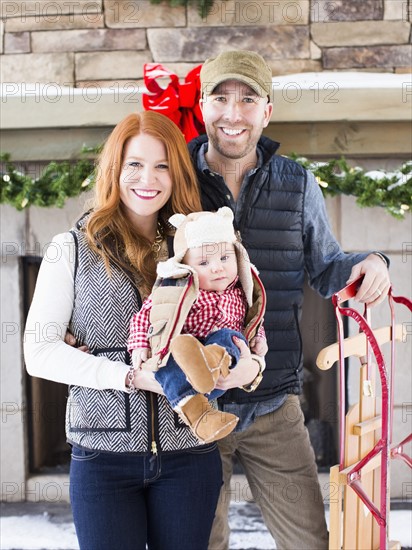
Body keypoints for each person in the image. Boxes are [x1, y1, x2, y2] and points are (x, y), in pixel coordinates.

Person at [187, 50, 391, 550]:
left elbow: (326, 269)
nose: (233, 113)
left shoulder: (297, 184)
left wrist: (373, 262)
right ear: (202, 105)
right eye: (220, 98)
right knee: (198, 544)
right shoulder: (174, 179)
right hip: (191, 411)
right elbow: (129, 262)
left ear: (267, 111)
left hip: (274, 405)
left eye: (248, 99)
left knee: (309, 544)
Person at [24, 111, 234, 550]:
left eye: (162, 166)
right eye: (134, 164)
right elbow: (39, 351)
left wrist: (243, 362)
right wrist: (124, 376)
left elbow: (237, 319)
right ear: (114, 170)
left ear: (176, 174)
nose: (148, 178)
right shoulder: (72, 249)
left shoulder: (199, 247)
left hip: (188, 454)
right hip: (103, 458)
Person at [127, 206, 268, 444]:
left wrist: (259, 339)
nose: (217, 267)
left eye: (225, 258)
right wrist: (140, 344)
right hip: (184, 367)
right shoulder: (177, 289)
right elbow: (146, 315)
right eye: (204, 263)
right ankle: (202, 418)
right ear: (187, 267)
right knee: (166, 361)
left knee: (229, 336)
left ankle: (210, 362)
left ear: (237, 256)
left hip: (224, 369)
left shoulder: (242, 292)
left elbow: (253, 321)